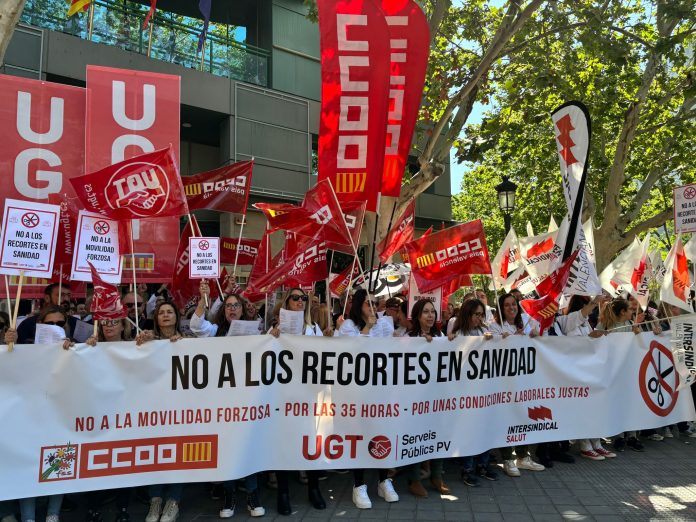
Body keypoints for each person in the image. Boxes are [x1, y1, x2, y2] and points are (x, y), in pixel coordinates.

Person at [187, 280, 265, 518]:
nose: (232, 309)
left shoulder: (254, 331)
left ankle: (253, 495)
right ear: (224, 310)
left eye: (236, 306)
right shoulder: (214, 331)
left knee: (247, 447)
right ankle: (229, 496)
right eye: (228, 306)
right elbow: (196, 325)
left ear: (243, 310)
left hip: (246, 401)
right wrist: (202, 300)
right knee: (227, 449)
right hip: (221, 403)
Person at [336, 289, 399, 509]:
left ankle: (383, 481)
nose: (372, 307)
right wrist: (368, 328)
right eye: (367, 303)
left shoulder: (384, 324)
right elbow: (353, 353)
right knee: (359, 436)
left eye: (375, 303)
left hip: (380, 389)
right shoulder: (348, 326)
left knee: (381, 433)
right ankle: (359, 485)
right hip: (356, 391)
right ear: (358, 305)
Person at [5, 306, 68, 522]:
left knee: (58, 463)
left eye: (60, 324)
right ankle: (28, 517)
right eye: (49, 324)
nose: (55, 328)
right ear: (40, 325)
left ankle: (53, 514)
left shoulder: (74, 351)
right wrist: (8, 344)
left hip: (59, 418)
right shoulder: (24, 349)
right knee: (29, 466)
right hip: (28, 418)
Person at [269, 288, 327, 514]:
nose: (300, 301)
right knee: (284, 443)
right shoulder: (275, 328)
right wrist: (272, 336)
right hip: (283, 397)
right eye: (295, 298)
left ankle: (314, 489)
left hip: (308, 396)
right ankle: (283, 493)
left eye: (304, 298)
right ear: (286, 302)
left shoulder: (314, 329)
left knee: (310, 442)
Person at [135, 301, 189, 522]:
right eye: (161, 313)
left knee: (178, 452)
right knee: (154, 452)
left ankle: (173, 501)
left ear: (177, 317)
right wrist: (140, 346)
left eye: (170, 312)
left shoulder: (189, 340)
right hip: (153, 407)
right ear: (156, 318)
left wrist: (184, 345)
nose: (166, 316)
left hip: (180, 408)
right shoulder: (147, 340)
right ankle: (155, 500)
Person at [555, 296, 616, 461]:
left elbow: (590, 340)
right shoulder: (566, 321)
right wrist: (595, 302)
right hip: (575, 373)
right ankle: (585, 445)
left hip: (589, 371)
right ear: (581, 306)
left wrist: (597, 335)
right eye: (589, 306)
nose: (591, 310)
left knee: (593, 408)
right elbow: (574, 342)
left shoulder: (586, 322)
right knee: (582, 409)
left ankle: (596, 443)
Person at [489, 293, 544, 476]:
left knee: (523, 416)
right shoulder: (494, 326)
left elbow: (537, 338)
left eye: (514, 305)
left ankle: (522, 456)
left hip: (524, 382)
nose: (511, 308)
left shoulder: (526, 322)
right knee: (507, 418)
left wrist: (534, 335)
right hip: (503, 383)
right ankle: (507, 459)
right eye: (507, 305)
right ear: (500, 309)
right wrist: (502, 339)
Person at [448, 299, 498, 485]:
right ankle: (467, 468)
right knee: (468, 429)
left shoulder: (483, 332)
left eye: (481, 314)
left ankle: (483, 465)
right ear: (467, 314)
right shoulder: (459, 332)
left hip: (483, 390)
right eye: (476, 314)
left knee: (484, 427)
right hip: (465, 392)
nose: (479, 317)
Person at [406, 299, 449, 498]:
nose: (430, 315)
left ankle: (437, 476)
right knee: (417, 437)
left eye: (433, 312)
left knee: (439, 435)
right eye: (425, 312)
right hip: (416, 399)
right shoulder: (408, 338)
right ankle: (414, 479)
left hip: (438, 397)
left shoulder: (441, 336)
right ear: (417, 316)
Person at [597, 299, 645, 452]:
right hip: (612, 372)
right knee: (616, 403)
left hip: (628, 372)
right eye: (630, 309)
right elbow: (594, 341)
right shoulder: (605, 325)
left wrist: (639, 335)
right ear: (622, 312)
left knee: (630, 403)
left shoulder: (631, 325)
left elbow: (641, 345)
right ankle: (617, 436)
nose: (632, 312)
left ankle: (631, 436)